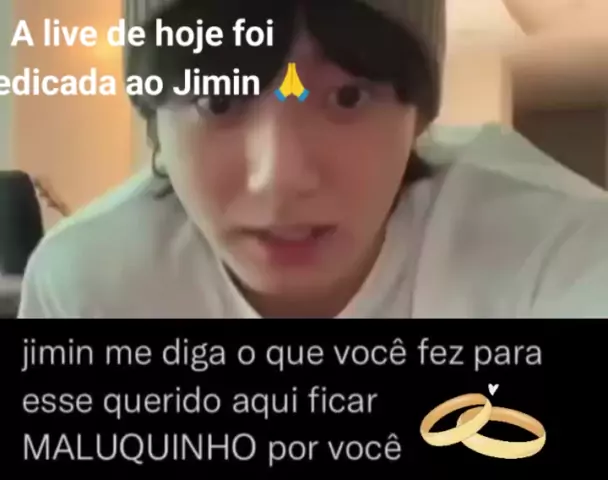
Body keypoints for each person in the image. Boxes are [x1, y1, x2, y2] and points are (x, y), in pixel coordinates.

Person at [18, 0, 608, 318]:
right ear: (154, 121)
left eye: (348, 96)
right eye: (218, 99)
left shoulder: (553, 252)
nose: (281, 178)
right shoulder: (88, 286)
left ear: (419, 118)